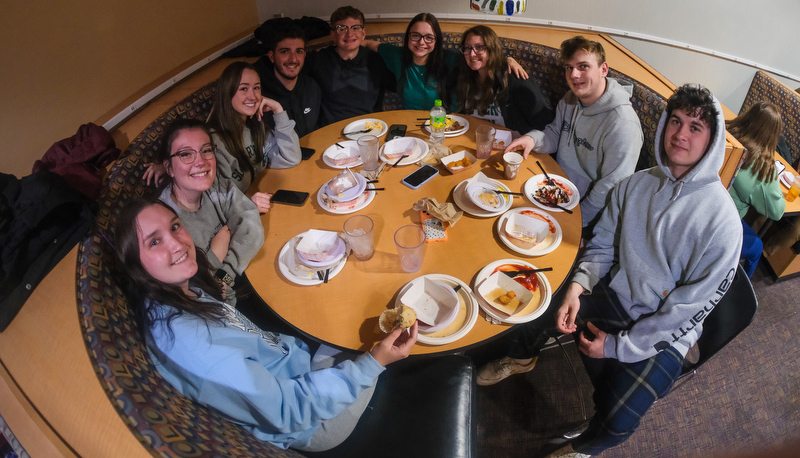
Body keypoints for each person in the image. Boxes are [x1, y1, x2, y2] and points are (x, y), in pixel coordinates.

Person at [478, 85, 742, 457]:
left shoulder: (723, 222)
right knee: (545, 299)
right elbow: (603, 244)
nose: (680, 135)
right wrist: (577, 287)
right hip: (620, 293)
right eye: (676, 122)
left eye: (695, 128)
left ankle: (586, 448)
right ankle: (522, 357)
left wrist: (619, 347)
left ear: (712, 140)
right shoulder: (636, 184)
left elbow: (687, 310)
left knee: (619, 418)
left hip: (665, 329)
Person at [113, 197, 417, 451]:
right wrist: (375, 361)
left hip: (297, 367)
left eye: (175, 226)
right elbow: (289, 410)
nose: (178, 243)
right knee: (378, 323)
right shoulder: (194, 348)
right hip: (313, 420)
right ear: (135, 263)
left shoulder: (179, 293)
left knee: (348, 303)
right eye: (155, 241)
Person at [503, 36, 643, 236]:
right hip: (554, 191)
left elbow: (610, 188)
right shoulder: (571, 99)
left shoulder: (623, 124)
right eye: (569, 67)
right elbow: (554, 133)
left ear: (603, 69)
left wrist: (576, 221)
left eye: (583, 66)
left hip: (588, 216)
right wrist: (532, 139)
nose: (574, 75)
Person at [156, 118, 264, 300]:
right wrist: (215, 255)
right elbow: (202, 293)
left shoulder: (217, 186)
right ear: (169, 168)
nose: (200, 162)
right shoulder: (167, 224)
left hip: (246, 278)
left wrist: (224, 273)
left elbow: (250, 223)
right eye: (186, 154)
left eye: (206, 150)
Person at [361, 13, 529, 111]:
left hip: (449, 126)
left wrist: (507, 59)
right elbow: (369, 43)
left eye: (429, 37)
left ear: (437, 40)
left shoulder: (451, 59)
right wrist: (339, 38)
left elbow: (480, 59)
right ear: (408, 37)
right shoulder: (396, 55)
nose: (421, 42)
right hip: (411, 124)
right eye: (415, 36)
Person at [209, 61, 302, 213]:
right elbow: (215, 201)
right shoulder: (214, 143)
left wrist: (278, 110)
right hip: (242, 217)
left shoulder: (255, 127)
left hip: (261, 204)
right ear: (228, 92)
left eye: (256, 88)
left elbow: (291, 158)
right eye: (244, 89)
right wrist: (248, 205)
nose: (252, 96)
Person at [303, 6, 395, 126]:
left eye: (355, 28)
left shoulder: (376, 60)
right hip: (330, 130)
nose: (349, 34)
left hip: (370, 127)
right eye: (342, 29)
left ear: (363, 33)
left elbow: (400, 81)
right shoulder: (318, 60)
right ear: (333, 35)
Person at [455, 25, 554, 134]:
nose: (472, 54)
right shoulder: (465, 77)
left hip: (508, 144)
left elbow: (545, 123)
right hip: (472, 137)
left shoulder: (516, 79)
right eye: (468, 48)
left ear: (492, 49)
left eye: (479, 47)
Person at [726, 101, 785, 277]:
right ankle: (735, 287)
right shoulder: (761, 171)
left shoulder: (726, 133)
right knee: (757, 246)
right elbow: (777, 212)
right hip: (721, 225)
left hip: (696, 203)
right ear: (773, 136)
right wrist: (773, 174)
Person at [253, 26, 322, 138]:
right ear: (272, 56)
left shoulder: (312, 87)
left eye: (299, 51)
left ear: (304, 55)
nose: (293, 59)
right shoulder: (258, 94)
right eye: (285, 51)